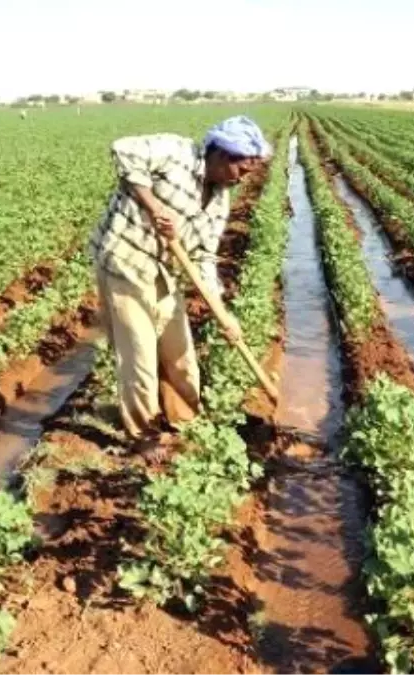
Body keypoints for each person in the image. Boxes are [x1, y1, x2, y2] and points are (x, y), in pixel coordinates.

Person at [89, 115, 271, 454]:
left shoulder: (219, 201)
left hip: (163, 269)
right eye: (241, 170)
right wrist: (153, 205)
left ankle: (184, 422)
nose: (243, 179)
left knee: (181, 352)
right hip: (125, 263)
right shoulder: (176, 152)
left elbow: (203, 257)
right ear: (221, 155)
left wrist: (222, 313)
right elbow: (123, 150)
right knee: (140, 355)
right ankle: (144, 437)